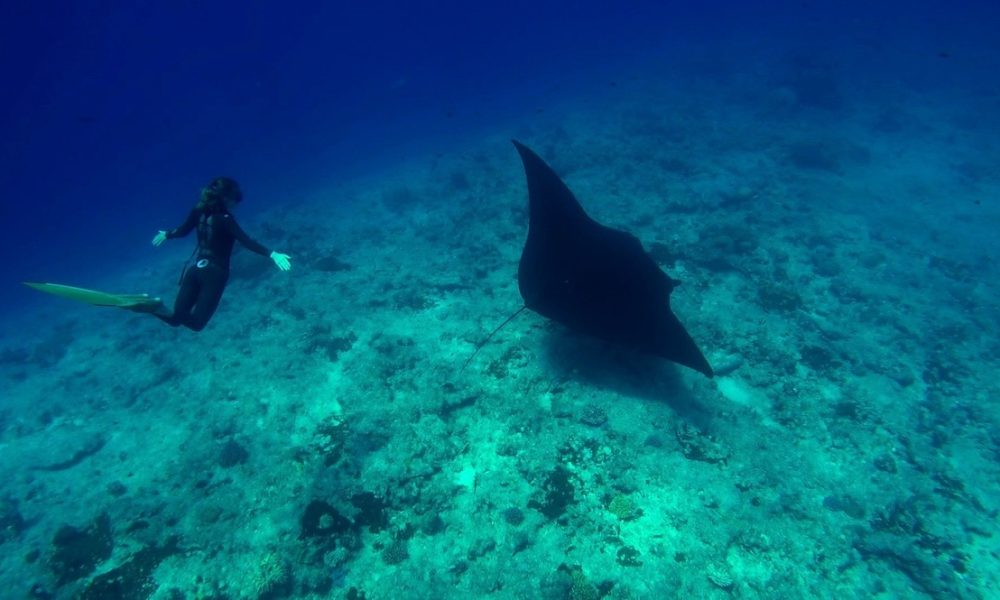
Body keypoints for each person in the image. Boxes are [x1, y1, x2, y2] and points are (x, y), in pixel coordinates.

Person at [146, 176, 291, 331]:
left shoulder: (198, 212)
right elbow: (246, 241)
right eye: (235, 198)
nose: (237, 202)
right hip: (215, 273)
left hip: (195, 270)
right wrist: (272, 254)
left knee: (176, 318)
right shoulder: (226, 219)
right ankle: (155, 305)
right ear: (227, 198)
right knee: (197, 324)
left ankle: (154, 306)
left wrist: (167, 234)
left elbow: (182, 231)